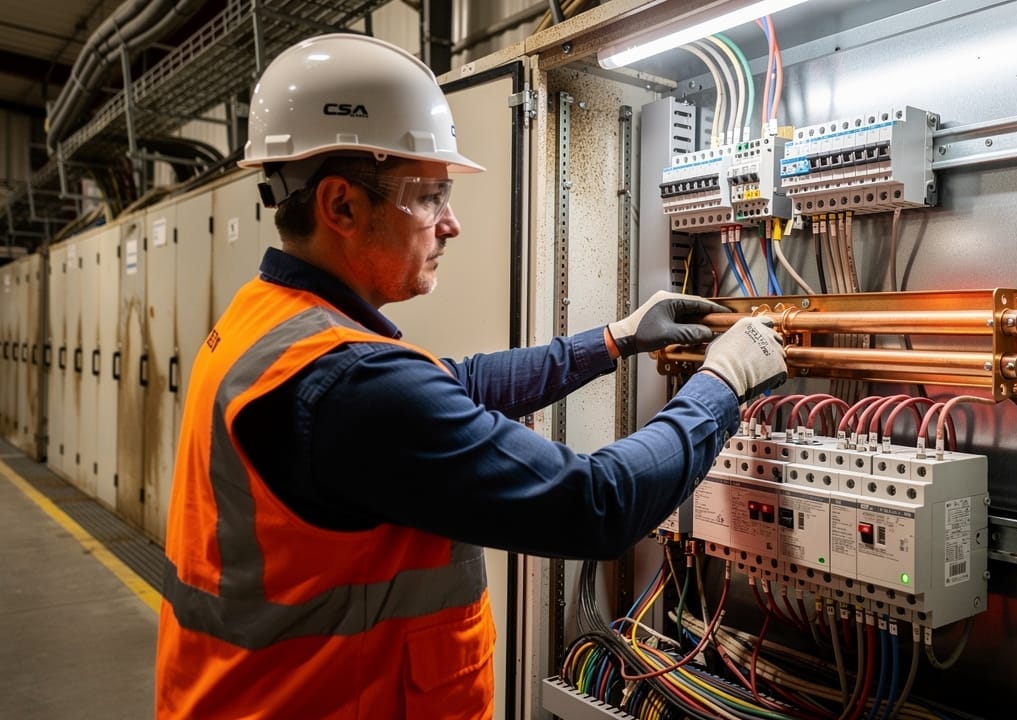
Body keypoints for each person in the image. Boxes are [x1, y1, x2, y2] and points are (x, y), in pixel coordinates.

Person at [154, 33, 787, 719]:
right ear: (340, 206)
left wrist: (615, 340)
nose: (451, 224)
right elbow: (596, 505)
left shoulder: (273, 324)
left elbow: (456, 384)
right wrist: (720, 387)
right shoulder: (351, 387)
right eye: (428, 197)